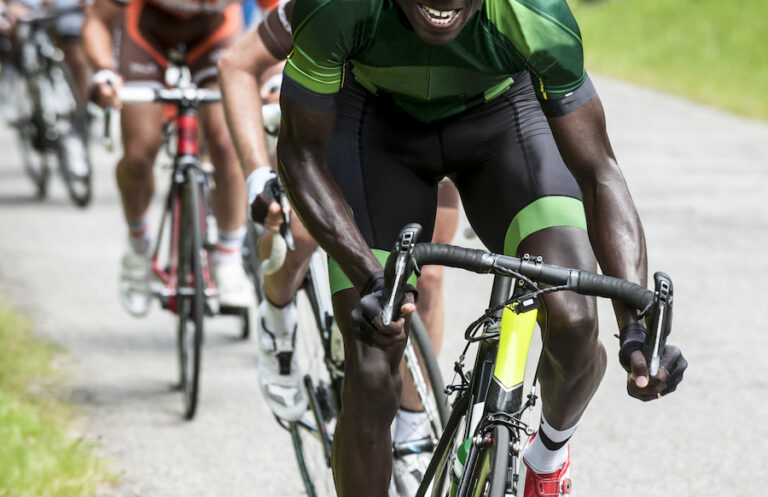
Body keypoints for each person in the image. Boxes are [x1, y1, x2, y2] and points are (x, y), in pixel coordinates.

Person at [270, 0, 689, 495]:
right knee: (372, 362)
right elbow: (299, 153)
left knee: (575, 321)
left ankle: (546, 458)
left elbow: (599, 171)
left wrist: (636, 323)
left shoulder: (534, 13)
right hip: (374, 128)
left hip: (501, 122)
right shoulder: (338, 8)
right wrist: (369, 275)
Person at [218, 4, 460, 491]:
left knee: (428, 278)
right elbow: (236, 64)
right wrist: (257, 174)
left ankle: (413, 432)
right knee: (304, 233)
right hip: (332, 131)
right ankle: (277, 317)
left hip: (415, 138)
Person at [83, 0, 253, 314]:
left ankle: (229, 257)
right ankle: (138, 247)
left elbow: (281, 17)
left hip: (215, 34)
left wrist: (273, 77)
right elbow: (98, 19)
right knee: (139, 151)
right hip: (148, 34)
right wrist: (104, 69)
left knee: (226, 142)